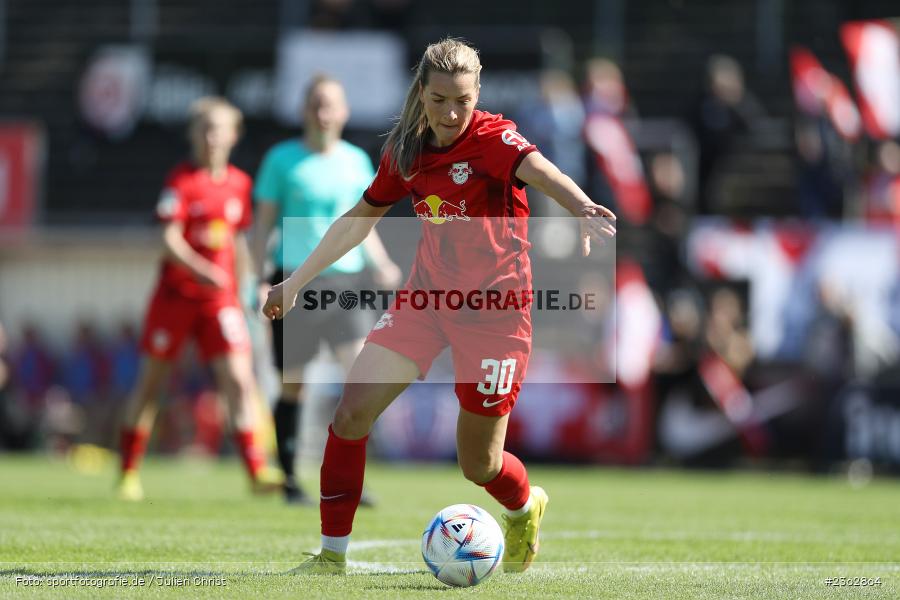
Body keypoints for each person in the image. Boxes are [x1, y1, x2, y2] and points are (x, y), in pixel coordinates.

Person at [262, 38, 616, 574]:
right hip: (426, 302)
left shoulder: (494, 137)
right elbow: (358, 220)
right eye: (439, 100)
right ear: (420, 94)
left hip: (498, 318)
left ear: (478, 95)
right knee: (351, 412)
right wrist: (296, 282)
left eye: (463, 101)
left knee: (479, 463)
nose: (452, 113)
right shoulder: (406, 151)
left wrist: (580, 205)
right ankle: (331, 557)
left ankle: (524, 506)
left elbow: (540, 169)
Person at [117, 97, 281, 501]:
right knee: (152, 382)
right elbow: (169, 238)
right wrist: (199, 268)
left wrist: (247, 290)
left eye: (219, 129)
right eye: (204, 130)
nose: (211, 138)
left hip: (218, 301)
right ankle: (128, 471)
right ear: (193, 135)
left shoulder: (240, 184)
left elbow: (239, 243)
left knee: (240, 381)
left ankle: (256, 471)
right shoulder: (181, 181)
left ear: (233, 135)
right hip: (175, 296)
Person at [252, 74, 402, 505]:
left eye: (331, 104)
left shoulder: (356, 160)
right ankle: (291, 480)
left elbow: (360, 223)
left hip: (348, 281)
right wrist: (259, 275)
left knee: (360, 379)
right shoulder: (281, 160)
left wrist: (383, 262)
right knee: (293, 384)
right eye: (316, 103)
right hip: (296, 279)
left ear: (344, 111)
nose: (323, 112)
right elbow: (263, 223)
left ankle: (351, 479)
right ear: (305, 110)